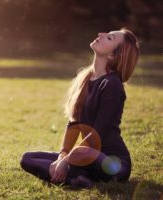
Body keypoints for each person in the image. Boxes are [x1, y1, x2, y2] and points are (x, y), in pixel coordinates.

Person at [20, 28, 140, 188]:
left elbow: (96, 135)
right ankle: (79, 179)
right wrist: (62, 154)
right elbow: (74, 123)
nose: (100, 35)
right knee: (28, 159)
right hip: (84, 157)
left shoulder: (112, 84)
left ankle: (75, 176)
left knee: (80, 152)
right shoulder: (86, 79)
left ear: (112, 55)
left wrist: (67, 160)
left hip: (112, 164)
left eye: (109, 38)